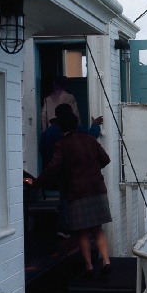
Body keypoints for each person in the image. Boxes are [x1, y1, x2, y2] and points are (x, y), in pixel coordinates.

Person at [30, 110, 112, 278]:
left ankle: (89, 266)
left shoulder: (62, 145)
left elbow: (53, 168)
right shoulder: (90, 140)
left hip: (77, 192)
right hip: (97, 190)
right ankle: (106, 262)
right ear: (76, 125)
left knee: (82, 232)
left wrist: (36, 183)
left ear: (61, 128)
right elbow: (105, 159)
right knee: (98, 229)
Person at [39, 103, 103, 239]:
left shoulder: (46, 134)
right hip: (72, 172)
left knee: (64, 199)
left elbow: (43, 152)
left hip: (54, 172)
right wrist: (96, 124)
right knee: (71, 200)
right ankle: (68, 227)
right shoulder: (72, 130)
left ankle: (65, 227)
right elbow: (91, 136)